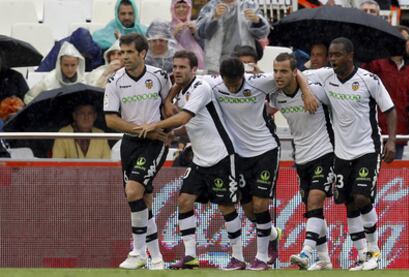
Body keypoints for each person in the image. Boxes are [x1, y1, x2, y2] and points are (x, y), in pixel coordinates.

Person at [200, 57, 317, 270]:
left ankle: (261, 258)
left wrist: (307, 93)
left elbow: (296, 73)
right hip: (237, 155)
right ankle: (272, 235)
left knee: (261, 205)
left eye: (237, 83)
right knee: (249, 210)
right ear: (222, 77)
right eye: (229, 83)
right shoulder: (213, 83)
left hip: (265, 150)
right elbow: (190, 79)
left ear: (242, 77)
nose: (233, 87)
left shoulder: (259, 81)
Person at [136, 50, 249, 270]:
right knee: (184, 201)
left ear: (194, 69)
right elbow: (192, 125)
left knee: (226, 206)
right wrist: (174, 134)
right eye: (175, 67)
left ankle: (239, 257)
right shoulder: (182, 91)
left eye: (182, 67)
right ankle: (190, 257)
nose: (177, 71)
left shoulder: (201, 88)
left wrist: (157, 126)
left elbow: (185, 117)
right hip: (200, 159)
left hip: (221, 156)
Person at [305, 37, 396, 271]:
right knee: (349, 204)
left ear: (350, 55)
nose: (332, 59)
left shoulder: (368, 80)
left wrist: (392, 142)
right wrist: (306, 92)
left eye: (337, 55)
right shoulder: (325, 76)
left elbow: (390, 109)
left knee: (362, 198)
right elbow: (298, 75)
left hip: (367, 148)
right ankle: (362, 256)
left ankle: (375, 251)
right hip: (341, 153)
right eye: (331, 55)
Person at [104, 33, 170, 270]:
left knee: (133, 191)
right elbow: (111, 119)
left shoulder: (159, 76)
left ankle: (138, 251)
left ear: (142, 53)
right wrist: (140, 131)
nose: (124, 57)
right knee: (143, 200)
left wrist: (165, 129)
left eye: (129, 52)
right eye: (122, 52)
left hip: (155, 143)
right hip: (131, 143)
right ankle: (157, 258)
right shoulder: (114, 81)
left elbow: (168, 106)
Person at [270, 53, 334, 271]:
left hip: (326, 151)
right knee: (312, 206)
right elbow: (262, 112)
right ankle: (324, 259)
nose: (278, 75)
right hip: (302, 156)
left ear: (294, 72)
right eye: (276, 70)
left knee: (315, 200)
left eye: (284, 71)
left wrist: (306, 89)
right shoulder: (275, 95)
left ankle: (306, 252)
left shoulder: (316, 90)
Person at [363, 25, 409, 159]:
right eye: (407, 40)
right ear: (395, 41)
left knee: (392, 177)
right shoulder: (375, 65)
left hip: (400, 135)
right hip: (374, 135)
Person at [196, 0, 270, 73]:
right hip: (216, 65)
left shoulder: (249, 5)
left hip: (246, 61)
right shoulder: (211, 6)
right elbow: (200, 33)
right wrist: (214, 18)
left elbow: (262, 34)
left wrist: (257, 21)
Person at [171, 0, 205, 69]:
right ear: (173, 9)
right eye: (177, 7)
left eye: (184, 7)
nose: (181, 9)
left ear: (189, 8)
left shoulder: (196, 24)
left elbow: (207, 45)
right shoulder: (167, 26)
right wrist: (174, 33)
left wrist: (195, 33)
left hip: (197, 65)